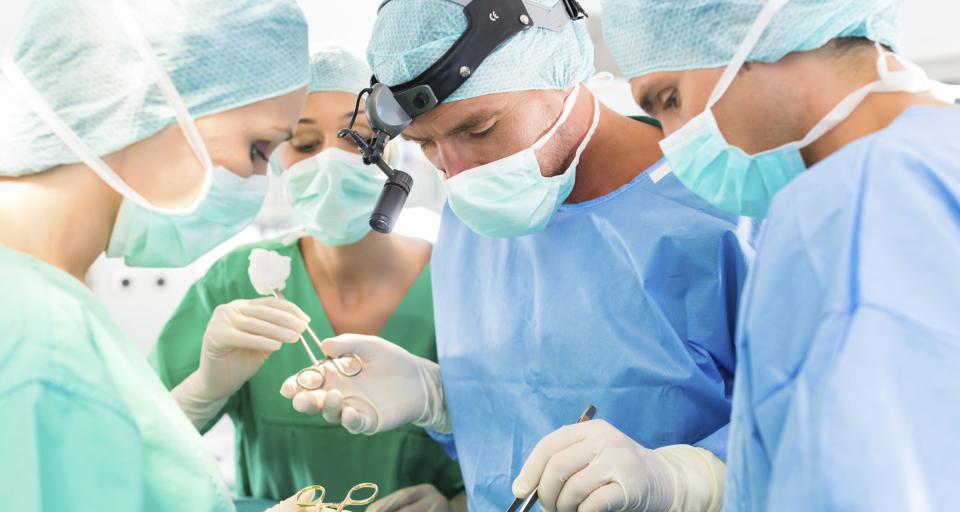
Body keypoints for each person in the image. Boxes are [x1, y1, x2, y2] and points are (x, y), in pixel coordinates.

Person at [281, 0, 754, 510]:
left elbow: (808, 430)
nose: (456, 170)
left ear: (558, 72)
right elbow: (515, 419)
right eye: (425, 143)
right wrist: (444, 400)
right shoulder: (470, 216)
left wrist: (690, 479)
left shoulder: (725, 207)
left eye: (478, 130)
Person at [604, 0, 960, 509]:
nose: (671, 143)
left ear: (752, 28)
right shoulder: (938, 154)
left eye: (670, 99)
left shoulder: (847, 208)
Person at [0, 0, 313, 510]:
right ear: (140, 98)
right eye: (258, 148)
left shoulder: (44, 299)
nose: (259, 184)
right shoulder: (40, 337)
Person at [149, 45, 465, 510]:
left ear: (394, 149)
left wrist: (459, 506)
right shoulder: (234, 282)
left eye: (356, 139)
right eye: (304, 143)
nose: (330, 160)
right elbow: (139, 448)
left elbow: (525, 441)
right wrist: (203, 391)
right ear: (277, 158)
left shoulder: (460, 283)